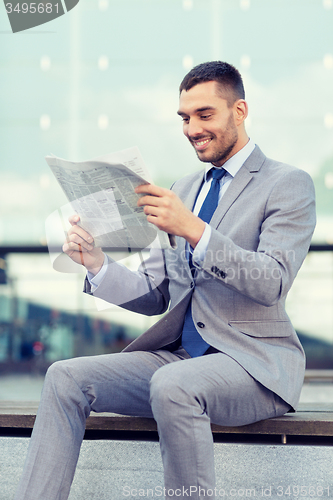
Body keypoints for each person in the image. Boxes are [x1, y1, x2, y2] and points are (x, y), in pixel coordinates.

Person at [14, 61, 316, 500]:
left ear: (240, 111)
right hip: (178, 361)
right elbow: (157, 293)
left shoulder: (287, 184)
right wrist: (97, 263)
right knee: (64, 376)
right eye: (185, 118)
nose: (192, 128)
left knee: (174, 385)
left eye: (204, 115)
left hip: (254, 366)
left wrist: (194, 229)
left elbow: (271, 280)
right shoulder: (185, 186)